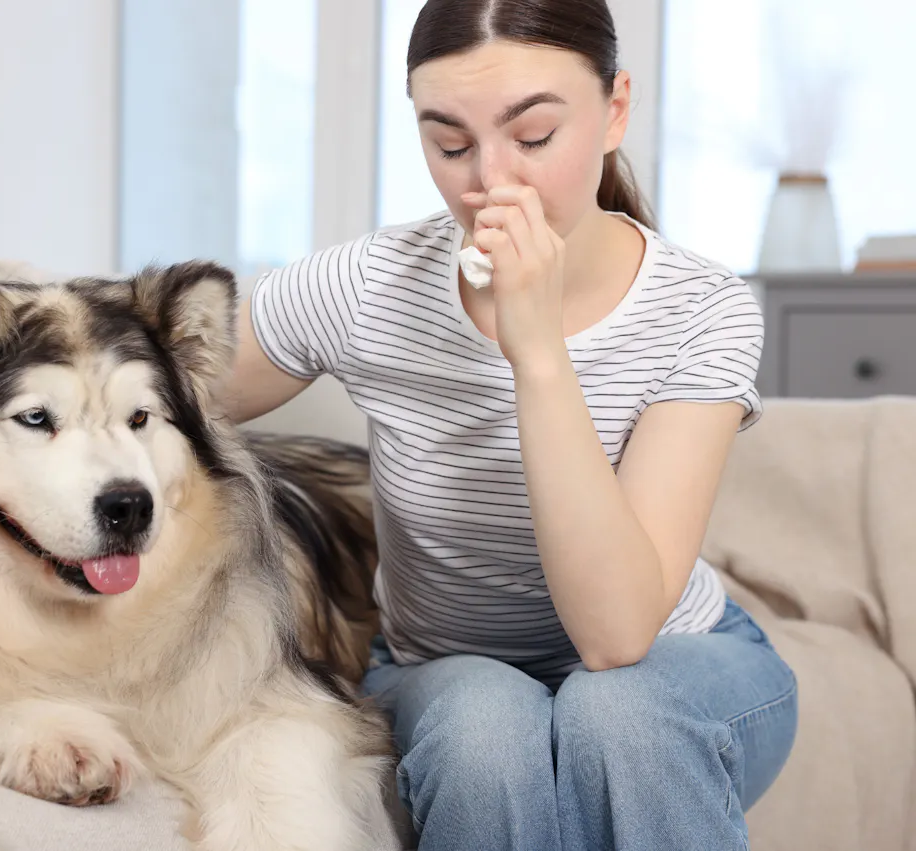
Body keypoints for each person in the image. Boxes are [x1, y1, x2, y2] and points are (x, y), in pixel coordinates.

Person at [221, 1, 798, 848]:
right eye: (449, 144)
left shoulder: (701, 309)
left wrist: (538, 354)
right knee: (488, 730)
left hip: (673, 665)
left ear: (615, 111)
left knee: (618, 713)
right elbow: (148, 386)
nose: (490, 182)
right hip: (443, 670)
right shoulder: (366, 285)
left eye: (532, 138)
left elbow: (615, 636)